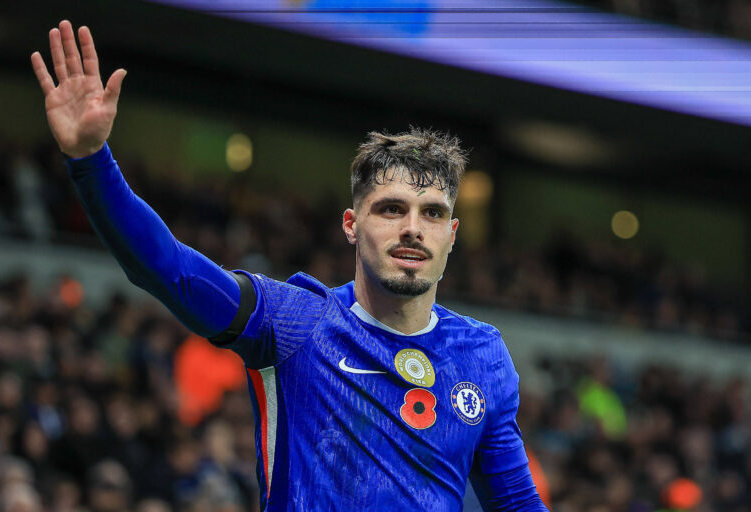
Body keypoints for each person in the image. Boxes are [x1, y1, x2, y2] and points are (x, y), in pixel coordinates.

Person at [32, 20, 548, 511]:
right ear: (351, 224)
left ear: (451, 235)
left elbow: (518, 504)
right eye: (391, 209)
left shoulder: (484, 355)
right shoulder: (296, 322)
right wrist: (92, 160)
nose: (413, 228)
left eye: (432, 214)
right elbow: (168, 269)